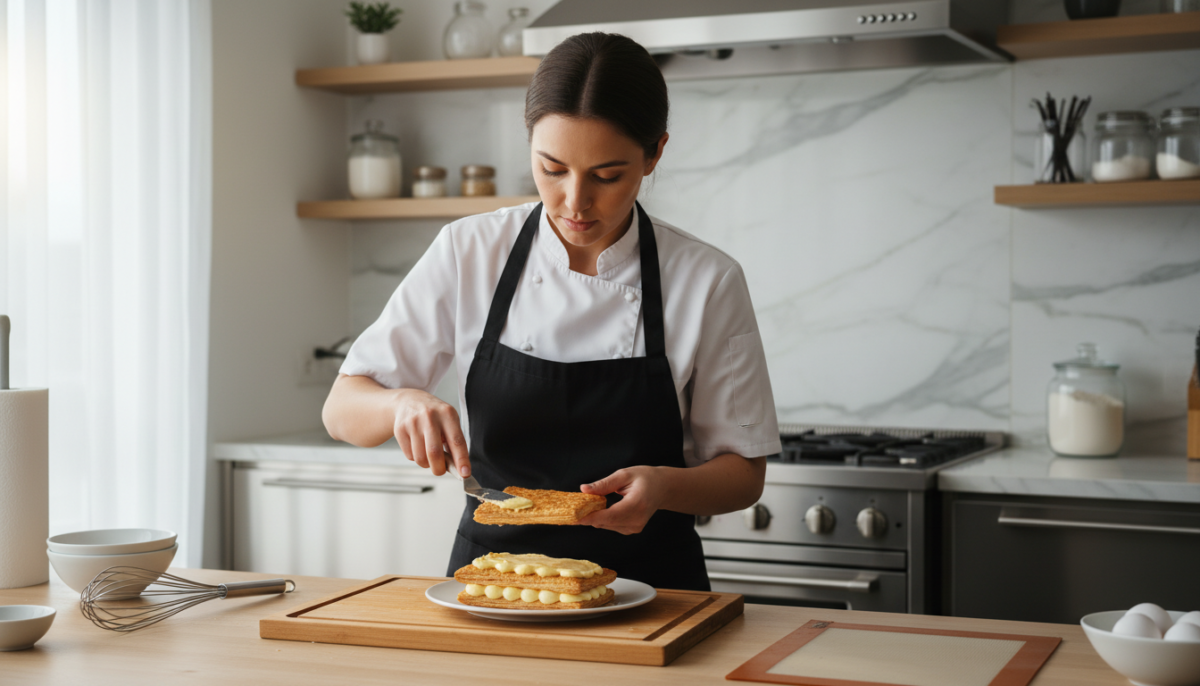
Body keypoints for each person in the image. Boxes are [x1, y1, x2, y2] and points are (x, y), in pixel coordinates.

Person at [322, 32, 780, 592]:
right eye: (552, 168)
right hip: (493, 587)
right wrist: (400, 404)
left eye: (607, 176)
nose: (574, 202)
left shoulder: (707, 279)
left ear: (655, 152)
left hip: (657, 592)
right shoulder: (470, 250)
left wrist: (665, 486)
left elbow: (743, 474)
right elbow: (341, 410)